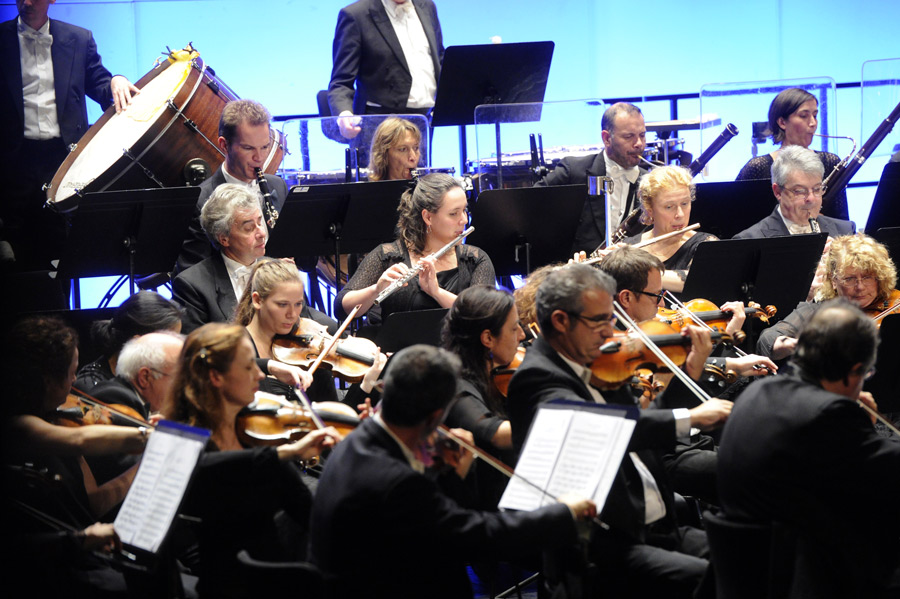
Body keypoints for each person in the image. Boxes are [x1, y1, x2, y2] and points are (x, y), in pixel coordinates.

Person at [506, 263, 733, 598]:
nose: (611, 331)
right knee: (710, 580)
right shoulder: (536, 378)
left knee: (753, 556)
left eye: (612, 318)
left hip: (656, 528)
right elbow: (603, 426)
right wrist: (693, 418)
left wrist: (692, 369)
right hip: (602, 547)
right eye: (599, 321)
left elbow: (643, 424)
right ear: (560, 321)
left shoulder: (600, 361)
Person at [309, 344, 597, 599]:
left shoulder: (357, 441)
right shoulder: (397, 481)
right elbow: (475, 537)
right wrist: (563, 513)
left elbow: (432, 524)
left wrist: (450, 474)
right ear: (436, 416)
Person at [717, 300, 900, 597]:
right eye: (865, 374)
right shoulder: (828, 414)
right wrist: (855, 421)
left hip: (744, 571)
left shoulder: (759, 391)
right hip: (796, 579)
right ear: (853, 371)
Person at [161, 322, 341, 599]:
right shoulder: (188, 445)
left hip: (274, 574)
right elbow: (209, 469)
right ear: (216, 377)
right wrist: (287, 453)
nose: (260, 375)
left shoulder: (257, 435)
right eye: (248, 367)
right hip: (238, 586)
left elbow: (308, 511)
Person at [0, 0, 138, 271]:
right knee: (15, 251)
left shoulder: (78, 38)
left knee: (63, 248)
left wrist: (117, 79)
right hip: (13, 163)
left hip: (64, 160)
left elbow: (99, 82)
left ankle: (63, 312)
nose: (27, 2)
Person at [2, 316, 149, 523]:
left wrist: (145, 465)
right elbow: (81, 439)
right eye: (72, 372)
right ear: (48, 381)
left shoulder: (58, 420)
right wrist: (149, 435)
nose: (75, 380)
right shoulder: (18, 426)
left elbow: (93, 504)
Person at [335, 173, 495, 323]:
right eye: (454, 214)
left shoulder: (475, 259)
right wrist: (376, 290)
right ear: (428, 217)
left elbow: (484, 317)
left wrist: (437, 293)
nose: (464, 220)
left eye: (465, 211)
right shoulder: (388, 255)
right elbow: (341, 309)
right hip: (399, 351)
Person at [175, 99, 286, 273]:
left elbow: (302, 257)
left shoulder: (277, 186)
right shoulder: (200, 201)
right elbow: (192, 276)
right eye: (249, 148)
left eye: (265, 147)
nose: (259, 157)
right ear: (224, 145)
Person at [441, 285, 522, 510]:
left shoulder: (495, 377)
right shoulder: (454, 386)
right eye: (514, 329)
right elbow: (495, 433)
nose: (522, 336)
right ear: (488, 338)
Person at [758, 234, 899, 360]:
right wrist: (801, 344)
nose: (860, 287)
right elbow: (768, 339)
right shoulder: (817, 312)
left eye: (867, 277)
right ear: (834, 281)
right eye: (849, 279)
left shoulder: (895, 302)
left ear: (880, 277)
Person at [537, 102, 649, 254]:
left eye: (642, 135)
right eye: (629, 137)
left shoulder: (648, 181)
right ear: (607, 138)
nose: (639, 144)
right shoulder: (574, 171)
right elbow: (531, 206)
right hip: (579, 273)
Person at [327, 0, 443, 145]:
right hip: (378, 126)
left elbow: (438, 58)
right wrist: (344, 116)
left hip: (424, 121)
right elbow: (341, 82)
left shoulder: (427, 7)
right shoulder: (355, 15)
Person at [736, 87, 849, 220]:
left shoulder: (830, 162)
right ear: (782, 122)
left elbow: (842, 222)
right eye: (804, 116)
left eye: (815, 115)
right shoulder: (758, 168)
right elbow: (737, 219)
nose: (813, 123)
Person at [173, 184, 267, 333]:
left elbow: (303, 316)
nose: (261, 233)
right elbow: (199, 349)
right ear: (224, 239)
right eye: (249, 228)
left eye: (260, 222)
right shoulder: (192, 285)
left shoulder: (277, 267)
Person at [623, 164, 718, 293]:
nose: (680, 214)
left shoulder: (705, 244)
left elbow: (700, 281)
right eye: (669, 207)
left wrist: (635, 272)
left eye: (684, 204)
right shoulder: (629, 247)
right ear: (650, 210)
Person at [733, 145, 856, 240]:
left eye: (817, 189)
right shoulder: (750, 239)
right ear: (778, 192)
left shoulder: (844, 231)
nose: (811, 199)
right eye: (800, 191)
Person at [75, 291, 183, 391]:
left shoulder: (156, 378)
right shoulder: (93, 388)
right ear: (137, 343)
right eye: (171, 342)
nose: (178, 351)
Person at [367, 116, 421, 180]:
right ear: (384, 155)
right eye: (403, 149)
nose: (413, 157)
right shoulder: (369, 189)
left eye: (416, 148)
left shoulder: (425, 189)